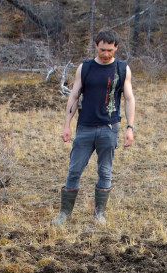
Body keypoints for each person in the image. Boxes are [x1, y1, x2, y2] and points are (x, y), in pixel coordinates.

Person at [51, 29, 135, 227]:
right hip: (85, 127)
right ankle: (64, 214)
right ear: (95, 46)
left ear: (116, 47)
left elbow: (129, 98)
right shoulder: (85, 67)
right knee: (74, 170)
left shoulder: (122, 69)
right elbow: (74, 95)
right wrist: (67, 125)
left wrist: (130, 127)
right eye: (102, 49)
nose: (106, 54)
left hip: (109, 128)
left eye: (110, 50)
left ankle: (99, 214)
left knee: (105, 172)